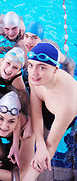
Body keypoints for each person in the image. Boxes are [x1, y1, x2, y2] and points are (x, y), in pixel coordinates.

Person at [22, 42, 77, 181]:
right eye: (31, 65)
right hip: (47, 103)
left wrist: (28, 177)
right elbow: (36, 110)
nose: (34, 72)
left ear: (55, 69)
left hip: (64, 113)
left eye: (42, 67)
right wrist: (39, 144)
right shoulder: (34, 76)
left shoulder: (67, 104)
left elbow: (51, 145)